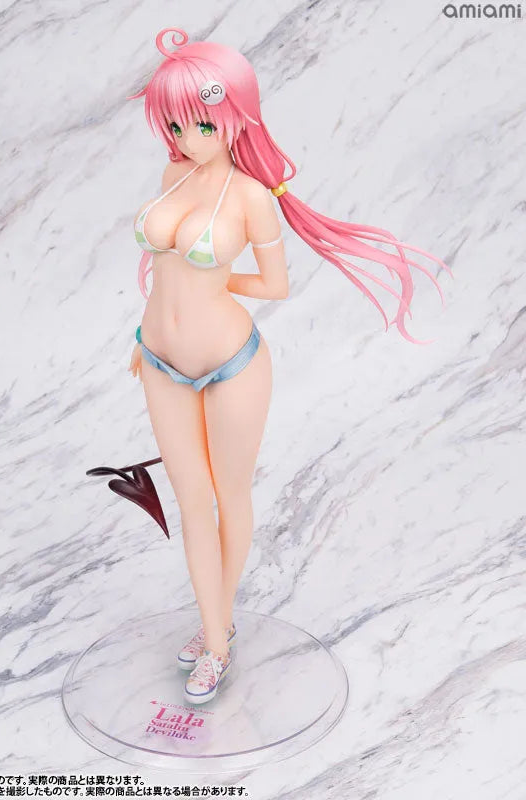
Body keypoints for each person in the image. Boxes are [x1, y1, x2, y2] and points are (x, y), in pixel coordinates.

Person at [121, 27, 450, 704]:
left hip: (232, 364)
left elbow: (276, 285)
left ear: (235, 114)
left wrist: (218, 282)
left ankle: (217, 639)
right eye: (174, 124)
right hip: (157, 358)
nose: (186, 136)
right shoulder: (172, 175)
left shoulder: (250, 198)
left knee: (229, 496)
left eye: (200, 123)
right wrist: (145, 330)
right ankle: (214, 624)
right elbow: (162, 269)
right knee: (191, 502)